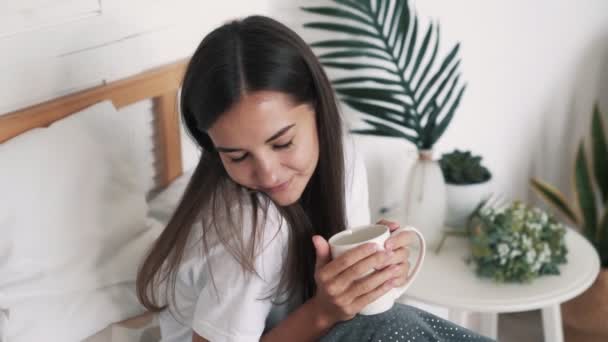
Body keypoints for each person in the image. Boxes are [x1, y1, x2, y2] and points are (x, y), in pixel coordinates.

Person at [136, 15, 494, 342]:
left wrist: (373, 273)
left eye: (283, 142)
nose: (269, 173)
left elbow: (352, 301)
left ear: (318, 111)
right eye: (238, 156)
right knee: (389, 329)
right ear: (213, 149)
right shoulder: (248, 230)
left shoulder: (343, 159)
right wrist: (324, 311)